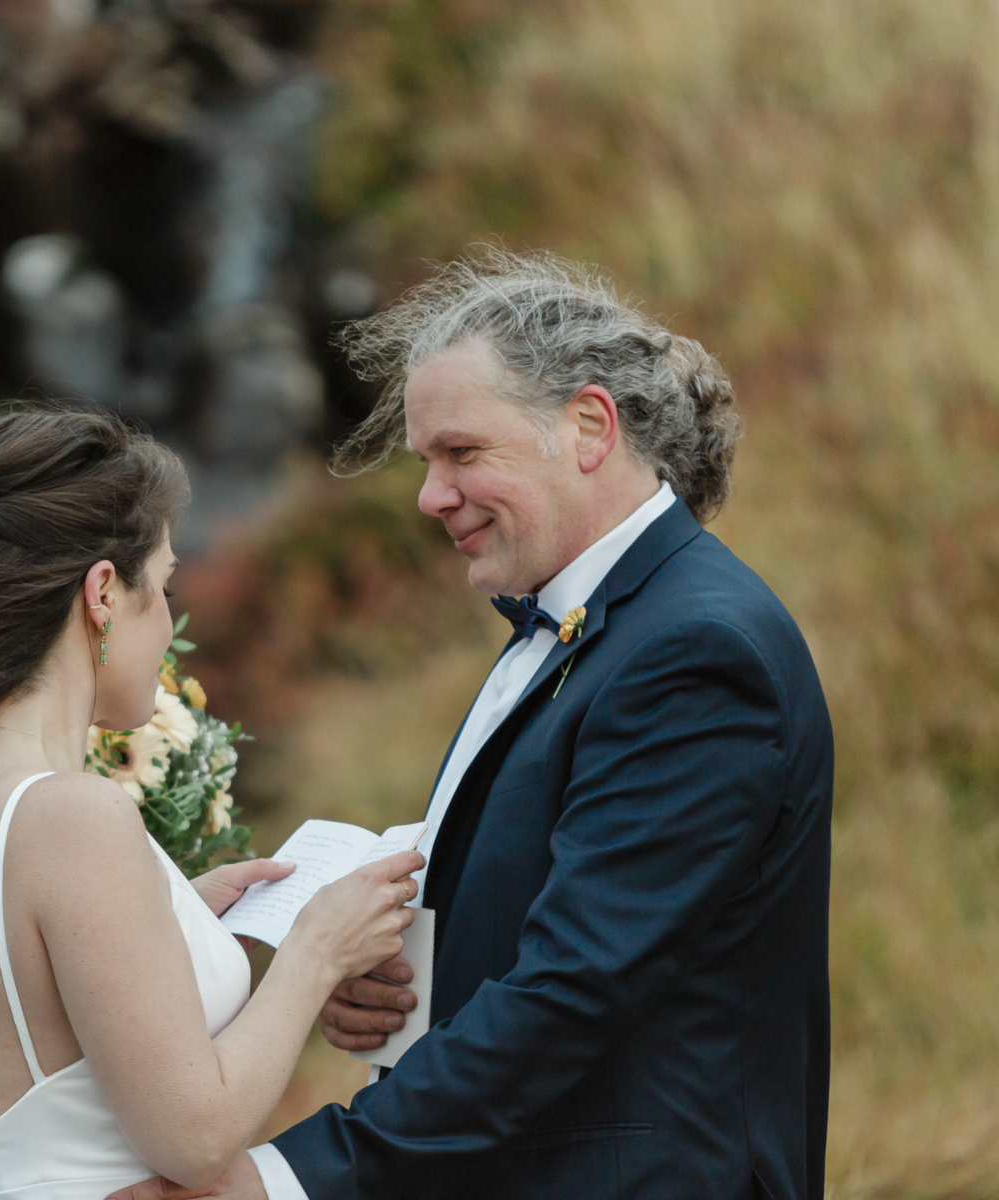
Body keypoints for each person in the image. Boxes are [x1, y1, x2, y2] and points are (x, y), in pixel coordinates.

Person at [108, 250, 834, 1200]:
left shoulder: (697, 652)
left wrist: (286, 1180)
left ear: (587, 427)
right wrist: (400, 981)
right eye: (426, 462)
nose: (430, 495)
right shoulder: (588, 621)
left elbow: (575, 991)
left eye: (461, 453)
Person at [0, 406, 424, 1199]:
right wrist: (317, 953)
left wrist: (175, 921)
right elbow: (194, 1137)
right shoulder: (70, 816)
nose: (172, 621)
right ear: (104, 592)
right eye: (167, 583)